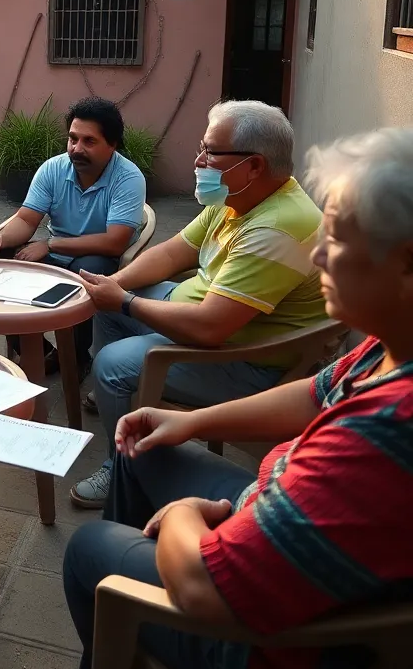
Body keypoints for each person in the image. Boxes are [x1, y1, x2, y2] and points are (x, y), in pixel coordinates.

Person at [57, 126, 413, 669]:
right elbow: (316, 391)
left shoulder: (380, 436)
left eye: (339, 239)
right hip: (271, 513)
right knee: (140, 447)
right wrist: (192, 422)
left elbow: (204, 588)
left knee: (89, 549)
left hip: (268, 653)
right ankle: (121, 635)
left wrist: (183, 519)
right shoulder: (389, 347)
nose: (318, 253)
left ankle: (118, 634)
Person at [70, 100, 326, 509]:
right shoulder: (239, 198)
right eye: (201, 148)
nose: (199, 160)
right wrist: (114, 286)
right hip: (203, 312)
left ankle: (123, 466)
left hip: (243, 358)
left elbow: (210, 327)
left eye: (211, 151)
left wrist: (126, 302)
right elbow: (173, 252)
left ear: (254, 166)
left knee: (113, 364)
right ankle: (116, 398)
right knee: (106, 306)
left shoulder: (277, 228)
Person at [0, 97, 145, 375]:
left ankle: (76, 357)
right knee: (6, 258)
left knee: (88, 270)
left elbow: (115, 242)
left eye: (89, 141)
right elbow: (26, 219)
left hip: (100, 256)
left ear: (112, 144)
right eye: (73, 139)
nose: (77, 148)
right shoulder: (53, 169)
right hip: (58, 253)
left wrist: (50, 244)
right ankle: (40, 351)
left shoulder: (128, 178)